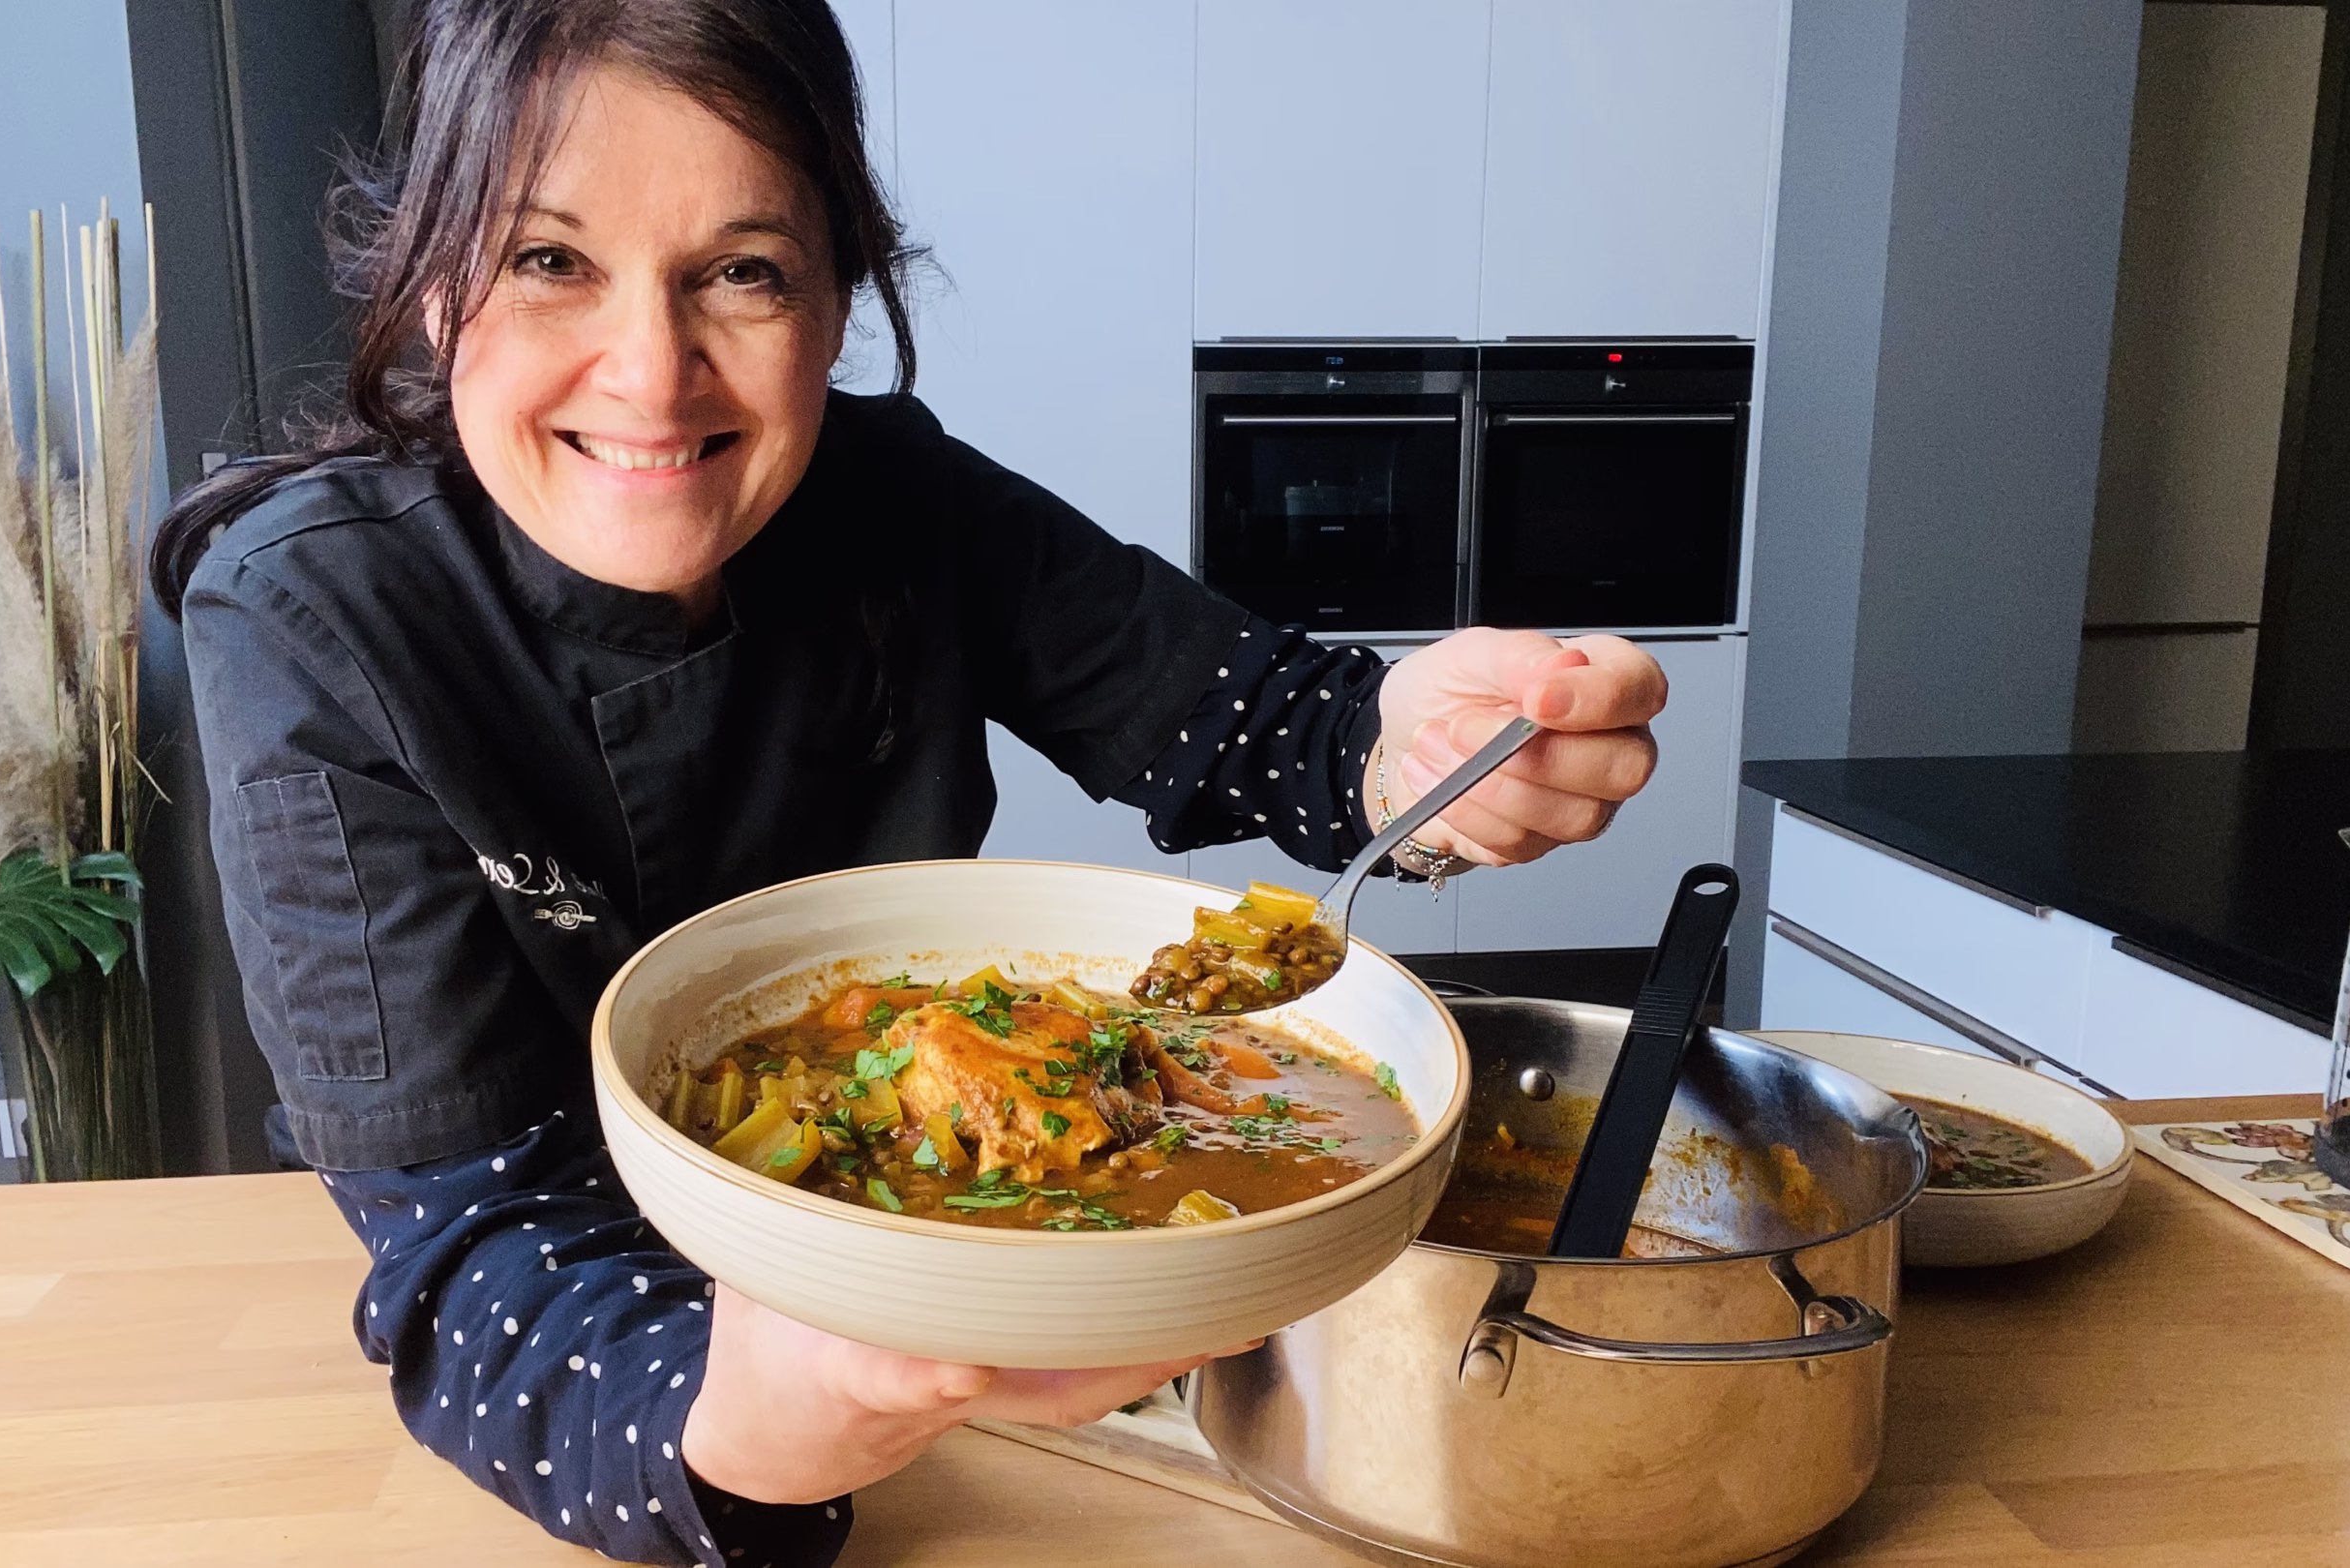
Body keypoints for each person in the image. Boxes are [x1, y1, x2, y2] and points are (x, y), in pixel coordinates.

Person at [159, 2, 1668, 1562]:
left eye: (742, 272)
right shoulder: (311, 618)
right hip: (616, 1403)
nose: (651, 373)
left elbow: (1266, 720)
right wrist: (754, 1423)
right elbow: (463, 1247)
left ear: (835, 298)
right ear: (428, 289)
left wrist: (1419, 754)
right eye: (551, 261)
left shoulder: (896, 495)